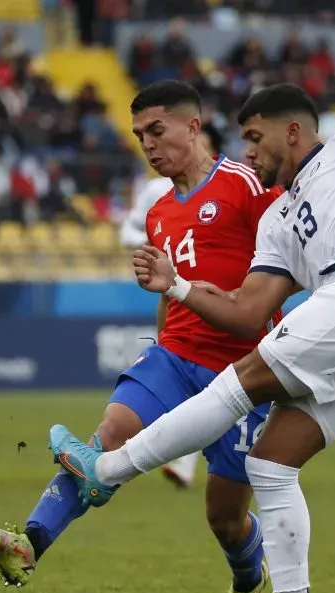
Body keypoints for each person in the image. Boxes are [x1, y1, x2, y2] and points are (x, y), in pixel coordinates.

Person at [48, 84, 335, 593]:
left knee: (234, 386)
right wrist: (180, 285)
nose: (249, 151)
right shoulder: (279, 220)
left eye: (254, 137)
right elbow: (246, 314)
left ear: (292, 131)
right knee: (269, 464)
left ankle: (107, 470)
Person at [0, 81, 285, 593]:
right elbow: (169, 293)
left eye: (157, 131)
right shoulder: (160, 212)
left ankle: (245, 582)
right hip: (175, 356)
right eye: (140, 136)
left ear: (194, 126)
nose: (148, 145)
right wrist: (160, 344)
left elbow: (294, 254)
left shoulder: (245, 186)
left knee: (225, 518)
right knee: (107, 436)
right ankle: (28, 542)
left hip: (243, 371)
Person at [118, 121, 226, 489]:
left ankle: (185, 462)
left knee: (214, 384)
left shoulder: (227, 185)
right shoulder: (156, 192)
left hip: (215, 293)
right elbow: (128, 231)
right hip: (173, 294)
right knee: (183, 370)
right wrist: (158, 244)